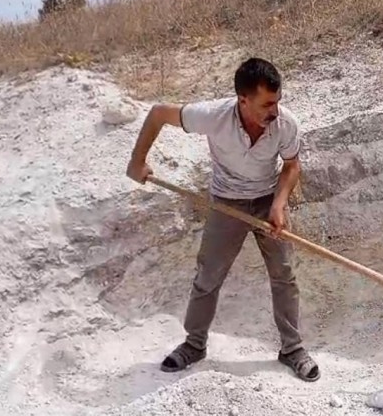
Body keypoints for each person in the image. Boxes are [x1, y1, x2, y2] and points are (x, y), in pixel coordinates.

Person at [125, 57, 320, 382]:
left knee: (284, 275)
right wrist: (137, 161)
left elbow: (291, 166)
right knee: (208, 275)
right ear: (243, 100)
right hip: (227, 202)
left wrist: (279, 203)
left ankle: (292, 349)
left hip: (267, 199)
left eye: (277, 101)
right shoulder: (213, 116)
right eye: (266, 104)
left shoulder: (286, 123)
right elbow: (158, 113)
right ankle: (194, 344)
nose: (275, 110)